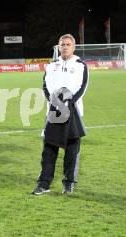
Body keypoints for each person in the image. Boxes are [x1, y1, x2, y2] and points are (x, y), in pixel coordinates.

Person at [32, 34, 89, 195]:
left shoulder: (81, 65)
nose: (65, 47)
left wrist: (68, 104)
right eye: (62, 44)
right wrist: (55, 102)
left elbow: (82, 87)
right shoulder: (51, 66)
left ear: (73, 47)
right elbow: (45, 86)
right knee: (49, 149)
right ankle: (44, 183)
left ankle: (69, 183)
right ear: (58, 47)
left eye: (68, 44)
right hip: (53, 112)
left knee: (72, 150)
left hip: (73, 112)